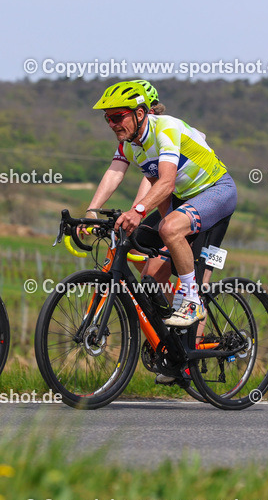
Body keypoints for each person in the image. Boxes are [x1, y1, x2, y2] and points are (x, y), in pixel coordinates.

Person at [86, 80, 237, 327]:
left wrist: (138, 211)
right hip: (183, 200)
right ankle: (170, 346)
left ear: (140, 113)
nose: (112, 124)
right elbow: (146, 186)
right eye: (108, 119)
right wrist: (90, 212)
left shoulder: (166, 128)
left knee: (190, 270)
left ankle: (193, 304)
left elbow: (166, 183)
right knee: (150, 275)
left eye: (118, 117)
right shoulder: (134, 146)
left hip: (216, 192)